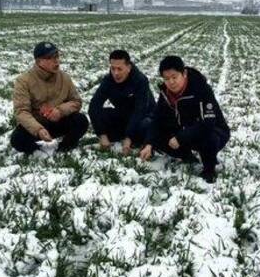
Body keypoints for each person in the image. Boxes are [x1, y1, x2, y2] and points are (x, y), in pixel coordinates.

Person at [139, 55, 230, 183]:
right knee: (152, 129)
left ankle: (209, 169)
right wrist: (149, 144)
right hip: (184, 130)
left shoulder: (201, 88)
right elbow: (157, 119)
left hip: (213, 130)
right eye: (166, 78)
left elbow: (208, 123)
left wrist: (181, 137)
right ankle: (186, 156)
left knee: (208, 137)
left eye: (174, 77)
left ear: (184, 73)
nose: (171, 82)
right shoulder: (165, 93)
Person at [11, 41, 89, 154]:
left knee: (81, 121)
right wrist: (38, 129)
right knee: (17, 139)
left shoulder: (64, 78)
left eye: (57, 56)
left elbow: (76, 101)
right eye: (50, 58)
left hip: (59, 121)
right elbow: (21, 112)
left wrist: (60, 111)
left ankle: (65, 147)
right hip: (37, 124)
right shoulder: (23, 81)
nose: (56, 61)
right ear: (39, 61)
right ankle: (39, 153)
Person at [88, 49, 155, 155]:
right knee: (101, 113)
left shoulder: (140, 80)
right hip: (123, 116)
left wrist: (128, 139)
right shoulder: (108, 80)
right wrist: (102, 135)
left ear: (128, 68)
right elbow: (94, 105)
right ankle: (115, 136)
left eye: (120, 69)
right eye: (113, 68)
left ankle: (132, 138)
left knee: (147, 125)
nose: (116, 73)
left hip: (143, 117)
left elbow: (140, 110)